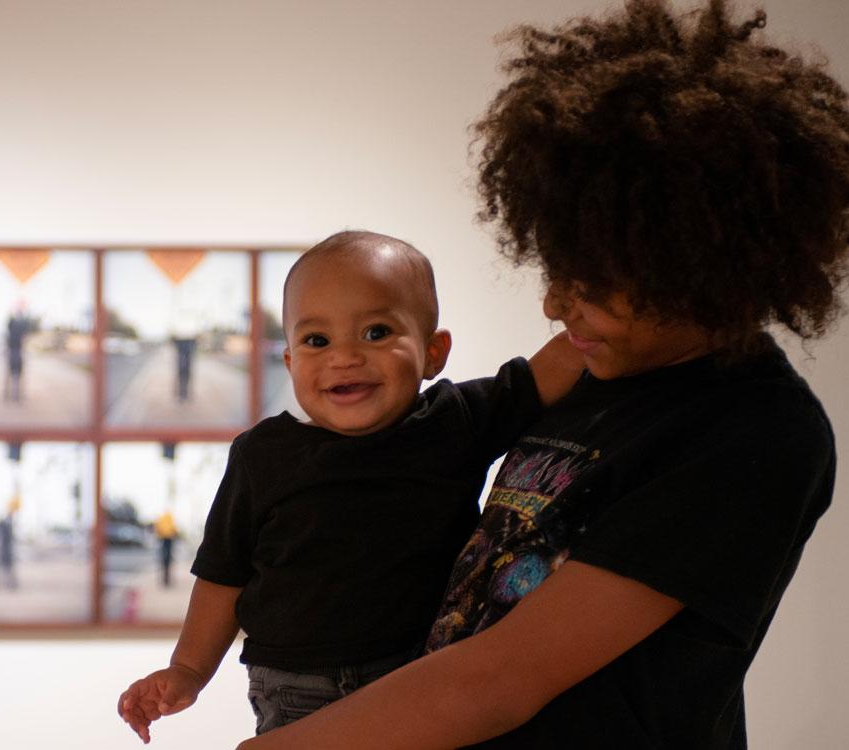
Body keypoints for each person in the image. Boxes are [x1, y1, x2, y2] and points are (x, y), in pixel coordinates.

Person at [239, 2, 849, 748]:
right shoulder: (591, 376)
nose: (555, 303)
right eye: (559, 267)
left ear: (702, 273)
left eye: (590, 284)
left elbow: (498, 681)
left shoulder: (753, 432)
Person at [117, 231, 584, 742]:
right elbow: (222, 574)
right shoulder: (263, 454)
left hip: (420, 674)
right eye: (317, 341)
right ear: (292, 362)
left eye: (377, 332)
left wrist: (597, 314)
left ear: (433, 352)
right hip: (296, 687)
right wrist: (188, 670)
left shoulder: (456, 421)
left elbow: (550, 369)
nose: (344, 357)